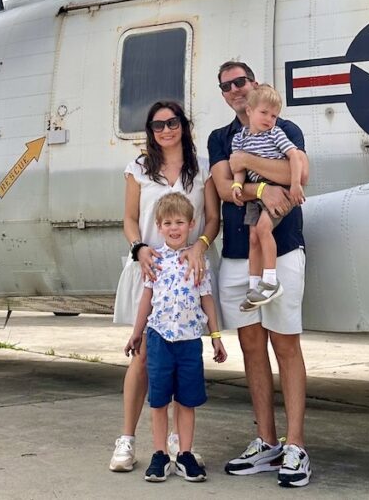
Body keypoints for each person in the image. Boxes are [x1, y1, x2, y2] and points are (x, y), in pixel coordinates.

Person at [208, 61, 312, 488]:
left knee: (286, 345)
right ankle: (267, 442)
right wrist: (267, 187)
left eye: (241, 81)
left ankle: (297, 446)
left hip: (283, 249)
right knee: (252, 348)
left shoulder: (285, 129)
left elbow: (297, 175)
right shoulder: (219, 138)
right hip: (234, 256)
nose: (235, 89)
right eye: (227, 85)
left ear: (254, 86)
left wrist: (249, 164)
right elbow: (221, 189)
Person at [110, 100, 220, 474]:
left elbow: (212, 220)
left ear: (183, 126)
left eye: (172, 122)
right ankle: (126, 439)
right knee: (142, 357)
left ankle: (176, 443)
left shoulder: (200, 168)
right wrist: (139, 248)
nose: (166, 130)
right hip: (150, 270)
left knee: (179, 363)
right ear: (150, 131)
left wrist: (198, 248)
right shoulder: (138, 169)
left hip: (188, 272)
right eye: (158, 125)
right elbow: (128, 219)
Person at [124, 192, 227, 482]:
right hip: (158, 340)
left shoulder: (198, 260)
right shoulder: (155, 260)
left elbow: (207, 300)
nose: (173, 227)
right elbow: (146, 299)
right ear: (159, 227)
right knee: (159, 401)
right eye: (167, 222)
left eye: (179, 222)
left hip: (189, 341)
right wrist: (136, 333)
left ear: (191, 224)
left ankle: (184, 454)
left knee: (187, 400)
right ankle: (159, 454)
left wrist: (215, 335)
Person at [230, 84, 305, 310]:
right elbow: (239, 166)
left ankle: (271, 281)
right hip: (256, 195)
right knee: (253, 238)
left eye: (274, 115)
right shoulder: (240, 138)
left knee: (263, 229)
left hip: (280, 190)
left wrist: (295, 185)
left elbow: (294, 157)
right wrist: (236, 183)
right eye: (264, 113)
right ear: (249, 111)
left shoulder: (275, 133)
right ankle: (254, 288)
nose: (269, 119)